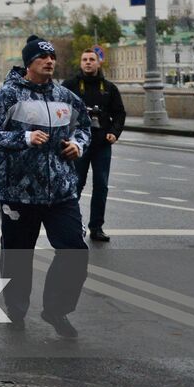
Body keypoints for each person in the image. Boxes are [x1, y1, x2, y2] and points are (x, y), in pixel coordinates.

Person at [0, 35, 91, 338]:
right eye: (43, 58)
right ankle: (15, 307)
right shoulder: (8, 96)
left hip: (61, 191)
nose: (50, 62)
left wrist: (77, 145)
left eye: (52, 57)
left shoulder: (64, 96)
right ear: (29, 63)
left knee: (74, 251)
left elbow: (85, 127)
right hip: (19, 193)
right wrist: (23, 139)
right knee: (17, 254)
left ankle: (56, 309)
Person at [63, 48, 126, 243]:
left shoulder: (108, 88)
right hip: (78, 145)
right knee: (76, 184)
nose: (88, 62)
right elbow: (60, 110)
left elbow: (119, 114)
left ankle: (96, 227)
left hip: (101, 144)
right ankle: (70, 225)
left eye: (92, 59)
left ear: (99, 63)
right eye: (85, 59)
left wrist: (114, 133)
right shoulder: (70, 85)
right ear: (80, 63)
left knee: (101, 185)